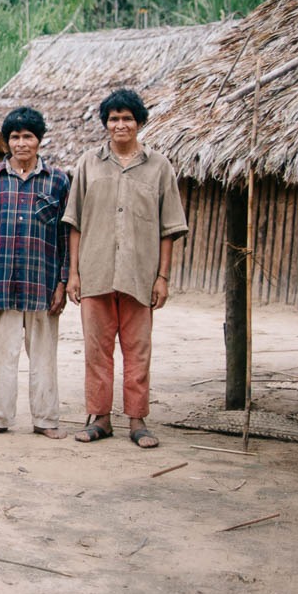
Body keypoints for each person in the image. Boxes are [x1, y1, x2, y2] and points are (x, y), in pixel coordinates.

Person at [65, 88, 188, 449]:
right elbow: (75, 223)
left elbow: (169, 228)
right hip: (95, 272)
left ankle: (137, 419)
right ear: (106, 124)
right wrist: (74, 273)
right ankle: (100, 418)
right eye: (114, 119)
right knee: (96, 350)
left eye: (127, 118)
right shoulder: (88, 164)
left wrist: (162, 277)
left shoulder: (159, 166)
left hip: (140, 274)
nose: (120, 125)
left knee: (138, 350)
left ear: (139, 123)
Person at [0, 107, 70, 438]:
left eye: (28, 136)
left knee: (44, 356)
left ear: (39, 140)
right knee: (3, 354)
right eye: (15, 136)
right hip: (3, 284)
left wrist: (62, 283)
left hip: (42, 285)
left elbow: (64, 237)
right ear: (7, 141)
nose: (21, 143)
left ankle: (45, 419)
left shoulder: (57, 180)